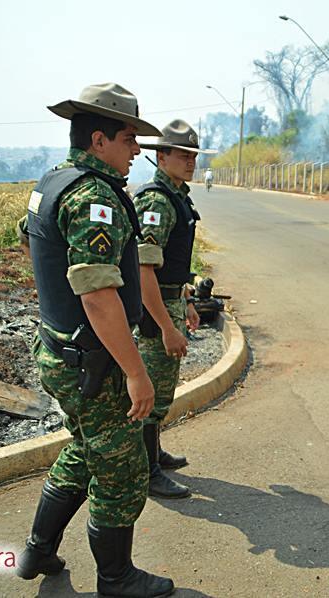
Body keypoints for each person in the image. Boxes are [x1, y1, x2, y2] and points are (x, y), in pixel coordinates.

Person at [15, 83, 176, 597]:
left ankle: (39, 550)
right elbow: (100, 296)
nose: (137, 151)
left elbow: (31, 240)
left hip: (59, 349)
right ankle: (116, 578)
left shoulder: (53, 182)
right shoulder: (95, 197)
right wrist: (136, 372)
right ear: (100, 139)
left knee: (86, 449)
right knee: (122, 471)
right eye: (131, 139)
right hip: (94, 361)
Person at [132, 119, 216, 499]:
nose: (190, 162)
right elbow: (144, 269)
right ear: (161, 156)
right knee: (151, 393)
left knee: (163, 389)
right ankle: (146, 472)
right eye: (183, 155)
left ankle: (155, 454)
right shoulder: (156, 201)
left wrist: (185, 304)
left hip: (168, 298)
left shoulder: (177, 195)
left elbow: (171, 265)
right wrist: (166, 327)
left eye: (193, 155)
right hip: (153, 307)